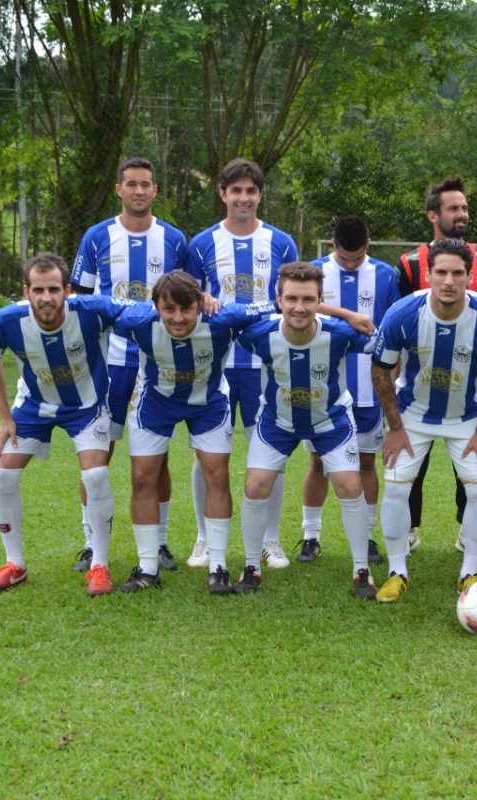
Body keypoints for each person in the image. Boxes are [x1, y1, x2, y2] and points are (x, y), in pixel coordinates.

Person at [110, 272, 273, 594]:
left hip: (209, 403)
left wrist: (348, 315)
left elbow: (282, 305)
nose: (178, 318)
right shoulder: (138, 320)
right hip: (155, 402)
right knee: (143, 476)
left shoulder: (224, 318)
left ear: (201, 303)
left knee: (216, 473)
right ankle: (147, 567)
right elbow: (85, 306)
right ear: (155, 305)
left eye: (186, 309)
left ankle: (218, 567)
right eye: (168, 309)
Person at [0, 252, 130, 596]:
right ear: (26, 291)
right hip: (34, 406)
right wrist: (5, 416)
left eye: (53, 289)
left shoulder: (91, 311)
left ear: (67, 290)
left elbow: (137, 314)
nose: (46, 298)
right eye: (38, 290)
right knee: (2, 474)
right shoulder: (7, 321)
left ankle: (100, 566)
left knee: (95, 475)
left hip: (87, 405)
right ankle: (14, 564)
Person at [371, 238, 477, 603]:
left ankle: (470, 573)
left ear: (469, 277)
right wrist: (397, 429)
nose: (449, 280)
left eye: (457, 273)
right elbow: (380, 370)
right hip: (413, 415)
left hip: (466, 415)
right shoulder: (402, 313)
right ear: (428, 275)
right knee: (398, 488)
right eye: (442, 272)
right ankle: (397, 572)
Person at [233, 262, 380, 598]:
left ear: (319, 301)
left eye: (308, 300)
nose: (299, 307)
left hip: (330, 420)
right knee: (256, 485)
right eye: (292, 299)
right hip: (277, 422)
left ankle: (362, 571)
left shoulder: (340, 334)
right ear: (278, 299)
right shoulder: (258, 334)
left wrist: (351, 317)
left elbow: (385, 340)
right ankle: (251, 567)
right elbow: (224, 321)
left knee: (348, 482)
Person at [69, 157, 187, 573]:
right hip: (109, 365)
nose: (139, 191)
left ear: (156, 190)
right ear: (118, 189)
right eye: (131, 184)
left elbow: (187, 303)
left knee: (158, 460)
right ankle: (90, 543)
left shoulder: (173, 239)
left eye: (146, 184)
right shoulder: (96, 237)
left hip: (157, 365)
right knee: (98, 454)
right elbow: (78, 301)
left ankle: (160, 543)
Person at [184, 158, 300, 571]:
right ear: (223, 194)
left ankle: (271, 540)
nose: (244, 198)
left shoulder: (282, 242)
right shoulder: (200, 244)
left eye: (251, 191)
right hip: (214, 362)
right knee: (207, 453)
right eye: (236, 191)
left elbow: (293, 298)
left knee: (269, 450)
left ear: (260, 194)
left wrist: (256, 312)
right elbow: (186, 299)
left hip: (265, 363)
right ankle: (202, 537)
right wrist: (203, 300)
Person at [393, 177, 477, 553]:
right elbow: (400, 324)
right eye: (454, 208)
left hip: (467, 379)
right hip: (419, 379)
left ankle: (466, 530)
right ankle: (408, 528)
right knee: (413, 463)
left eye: (465, 207)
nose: (462, 214)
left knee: (471, 462)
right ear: (433, 215)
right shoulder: (409, 263)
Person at [298, 216, 401, 563]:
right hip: (323, 385)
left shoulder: (386, 275)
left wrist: (391, 382)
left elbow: (393, 332)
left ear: (368, 246)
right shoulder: (312, 271)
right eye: (344, 258)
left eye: (357, 258)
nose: (351, 263)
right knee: (317, 461)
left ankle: (367, 536)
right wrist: (348, 316)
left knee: (367, 462)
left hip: (369, 387)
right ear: (332, 246)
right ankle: (310, 536)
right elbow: (297, 305)